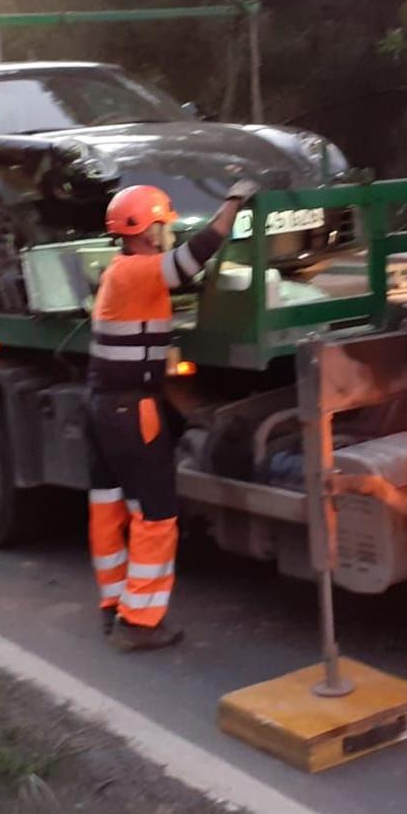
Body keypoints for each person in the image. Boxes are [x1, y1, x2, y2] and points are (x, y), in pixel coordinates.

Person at [87, 177, 258, 649]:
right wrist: (233, 199)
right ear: (146, 231)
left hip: (104, 404)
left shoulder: (121, 274)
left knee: (109, 507)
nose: (169, 234)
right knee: (157, 516)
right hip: (130, 409)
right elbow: (194, 256)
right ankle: (139, 623)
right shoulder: (137, 272)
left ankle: (114, 605)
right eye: (164, 227)